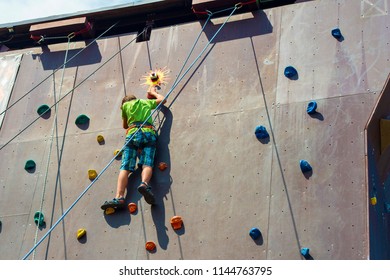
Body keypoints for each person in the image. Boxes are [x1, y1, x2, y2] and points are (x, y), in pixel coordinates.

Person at [101, 86, 166, 210]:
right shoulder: (145, 102)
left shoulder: (125, 106)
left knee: (125, 167)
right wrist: (153, 93)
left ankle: (119, 197)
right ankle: (144, 184)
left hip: (132, 134)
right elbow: (163, 100)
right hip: (148, 132)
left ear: (125, 102)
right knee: (147, 163)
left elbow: (125, 125)